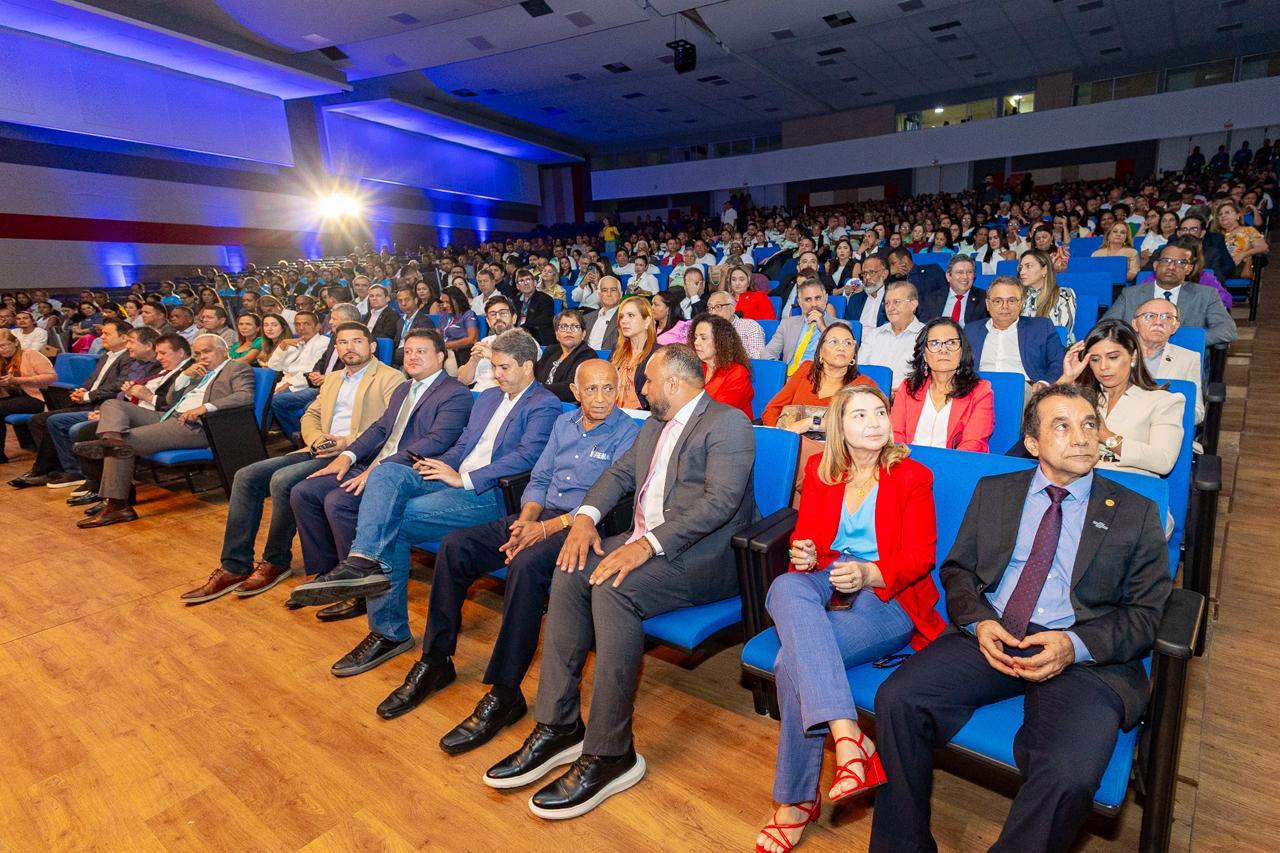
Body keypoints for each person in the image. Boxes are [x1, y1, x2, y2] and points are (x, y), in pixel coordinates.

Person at [870, 383, 1171, 853]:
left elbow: (1147, 614)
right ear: (1032, 444)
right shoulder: (996, 492)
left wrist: (1074, 646)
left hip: (1083, 654)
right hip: (995, 630)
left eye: (1090, 424)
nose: (1082, 437)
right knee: (899, 700)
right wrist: (979, 623)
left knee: (1068, 774)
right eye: (1062, 426)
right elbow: (959, 571)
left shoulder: (1135, 511)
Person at [485, 345, 755, 819]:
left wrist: (644, 546)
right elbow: (618, 474)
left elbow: (720, 503)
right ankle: (559, 725)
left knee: (612, 588)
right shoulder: (654, 424)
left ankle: (612, 752)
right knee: (571, 566)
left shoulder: (727, 422)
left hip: (700, 559)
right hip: (643, 541)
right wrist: (586, 518)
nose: (640, 389)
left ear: (672, 383)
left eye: (647, 381)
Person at [373, 360, 641, 736]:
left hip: (581, 527)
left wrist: (545, 528)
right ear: (576, 392)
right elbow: (541, 477)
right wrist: (527, 520)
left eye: (608, 388)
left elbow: (610, 499)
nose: (600, 398)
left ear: (620, 389)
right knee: (455, 548)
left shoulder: (628, 433)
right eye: (591, 389)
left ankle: (505, 691)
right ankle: (436, 659)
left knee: (525, 566)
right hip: (539, 515)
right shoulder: (564, 423)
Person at [288, 330, 559, 674]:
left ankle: (387, 629)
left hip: (489, 494)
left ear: (527, 366)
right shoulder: (490, 397)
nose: (497, 374)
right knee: (387, 471)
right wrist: (447, 465)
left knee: (394, 522)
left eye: (504, 367)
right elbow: (465, 444)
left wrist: (464, 478)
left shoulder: (544, 404)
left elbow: (527, 457)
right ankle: (362, 561)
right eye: (494, 367)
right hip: (453, 478)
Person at [755, 383, 945, 853]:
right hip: (829, 576)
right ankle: (847, 735)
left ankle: (796, 801)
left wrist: (867, 572)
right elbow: (811, 539)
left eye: (879, 412)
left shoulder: (913, 476)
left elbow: (921, 557)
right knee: (784, 583)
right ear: (840, 425)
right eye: (859, 415)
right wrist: (804, 552)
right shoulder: (823, 471)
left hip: (887, 594)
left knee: (789, 665)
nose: (875, 422)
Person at [178, 323, 403, 605]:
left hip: (356, 453)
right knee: (246, 476)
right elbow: (311, 414)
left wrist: (345, 442)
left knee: (283, 480)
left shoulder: (390, 378)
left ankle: (275, 560)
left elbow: (387, 425)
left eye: (357, 341)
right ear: (336, 348)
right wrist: (318, 438)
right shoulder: (333, 379)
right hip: (319, 448)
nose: (349, 347)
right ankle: (235, 565)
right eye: (343, 342)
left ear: (371, 347)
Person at [72, 334, 255, 527]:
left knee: (122, 445)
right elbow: (170, 401)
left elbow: (245, 396)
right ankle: (110, 440)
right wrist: (184, 377)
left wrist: (205, 408)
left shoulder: (237, 368)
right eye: (198, 353)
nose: (202, 357)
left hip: (196, 426)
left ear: (224, 350)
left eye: (207, 351)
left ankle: (118, 506)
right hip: (168, 416)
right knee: (112, 405)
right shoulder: (198, 371)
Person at [6, 319, 135, 488]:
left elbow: (119, 385)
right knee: (38, 420)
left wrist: (88, 395)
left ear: (124, 337)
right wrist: (81, 390)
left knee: (50, 421)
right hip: (88, 401)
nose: (101, 336)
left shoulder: (128, 357)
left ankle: (67, 470)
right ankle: (50, 468)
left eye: (107, 333)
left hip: (103, 405)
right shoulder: (107, 355)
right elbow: (91, 380)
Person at [1057, 320, 1184, 477]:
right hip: (1078, 482)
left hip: (1130, 487)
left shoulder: (1163, 401)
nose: (1103, 367)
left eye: (1113, 357)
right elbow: (1034, 427)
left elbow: (1163, 461)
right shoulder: (1081, 396)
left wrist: (1106, 436)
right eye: (1095, 359)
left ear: (1133, 356)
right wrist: (1067, 378)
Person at [1104, 238, 1238, 346]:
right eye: (1166, 261)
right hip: (1137, 359)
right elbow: (1105, 326)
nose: (1171, 267)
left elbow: (1227, 330)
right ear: (1156, 266)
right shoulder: (1130, 294)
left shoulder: (1206, 295)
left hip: (1185, 362)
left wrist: (1185, 342)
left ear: (1189, 269)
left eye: (1180, 262)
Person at [890, 318, 995, 451]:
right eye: (935, 343)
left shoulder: (980, 391)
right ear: (924, 355)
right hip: (909, 463)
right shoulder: (908, 388)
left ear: (962, 352)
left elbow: (973, 444)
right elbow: (896, 436)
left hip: (956, 466)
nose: (943, 350)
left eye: (951, 343)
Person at [268, 304, 359, 442]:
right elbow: (322, 361)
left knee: (288, 403)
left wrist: (327, 378)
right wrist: (315, 373)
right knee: (275, 401)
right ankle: (301, 438)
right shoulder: (335, 337)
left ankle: (305, 438)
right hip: (319, 385)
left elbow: (355, 370)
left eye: (334, 318)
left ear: (348, 320)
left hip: (336, 386)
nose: (330, 322)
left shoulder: (358, 340)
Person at [762, 323, 875, 430]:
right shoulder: (806, 370)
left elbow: (867, 426)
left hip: (835, 448)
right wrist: (780, 438)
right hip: (793, 443)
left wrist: (813, 423)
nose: (841, 348)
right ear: (820, 351)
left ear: (853, 354)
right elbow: (772, 409)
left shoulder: (864, 385)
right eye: (833, 341)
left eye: (848, 343)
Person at [967, 277, 1068, 387]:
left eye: (1011, 301)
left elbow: (1058, 362)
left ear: (1021, 303)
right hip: (978, 389)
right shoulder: (971, 331)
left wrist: (1044, 384)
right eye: (998, 301)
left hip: (1025, 389)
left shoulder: (1042, 328)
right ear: (987, 304)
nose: (1005, 306)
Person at [1132, 299, 1203, 424]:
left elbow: (1197, 411)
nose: (1158, 322)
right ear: (1135, 324)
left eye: (1167, 317)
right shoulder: (1116, 354)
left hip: (1165, 426)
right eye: (1150, 316)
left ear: (1175, 327)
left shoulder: (1188, 359)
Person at [763, 278, 844, 374]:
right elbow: (767, 353)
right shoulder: (787, 324)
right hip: (788, 379)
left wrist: (823, 328)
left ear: (826, 298)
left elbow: (842, 356)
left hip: (818, 379)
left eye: (818, 298)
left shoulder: (841, 326)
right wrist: (780, 373)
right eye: (808, 299)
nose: (814, 304)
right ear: (799, 302)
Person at [0, 329, 57, 462]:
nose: (1, 349)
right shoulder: (2, 360)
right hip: (14, 396)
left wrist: (18, 380)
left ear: (15, 342)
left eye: (4, 345)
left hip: (36, 398)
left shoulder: (30, 354)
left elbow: (51, 377)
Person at [859, 280, 924, 389]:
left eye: (897, 302)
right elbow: (859, 369)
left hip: (908, 397)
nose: (890, 308)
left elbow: (925, 377)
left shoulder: (926, 336)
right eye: (887, 303)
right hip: (871, 395)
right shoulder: (875, 335)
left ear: (913, 304)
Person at [689, 313, 753, 419]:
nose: (696, 342)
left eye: (703, 338)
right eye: (695, 337)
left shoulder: (738, 373)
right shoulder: (695, 367)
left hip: (727, 429)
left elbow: (716, 411)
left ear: (720, 342)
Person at [535, 309, 597, 402]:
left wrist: (535, 389)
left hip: (562, 406)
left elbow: (571, 387)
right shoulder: (550, 350)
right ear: (556, 334)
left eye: (575, 327)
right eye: (563, 326)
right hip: (537, 400)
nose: (569, 331)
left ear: (583, 334)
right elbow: (532, 374)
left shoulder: (587, 355)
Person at [458, 296, 517, 391]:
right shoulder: (486, 341)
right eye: (493, 314)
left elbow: (520, 379)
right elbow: (463, 381)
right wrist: (473, 360)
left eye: (503, 313)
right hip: (476, 395)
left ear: (514, 318)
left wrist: (492, 356)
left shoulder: (526, 343)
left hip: (502, 396)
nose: (498, 317)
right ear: (488, 322)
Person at [1018, 250, 1077, 343]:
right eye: (1021, 267)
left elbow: (1061, 334)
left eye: (1028, 266)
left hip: (1055, 351)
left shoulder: (1064, 294)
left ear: (1044, 269)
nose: (1022, 272)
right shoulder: (1018, 296)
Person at [610, 296, 657, 411]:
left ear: (646, 321)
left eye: (631, 315)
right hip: (614, 413)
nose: (624, 321)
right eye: (622, 316)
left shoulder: (658, 354)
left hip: (641, 418)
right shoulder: (617, 352)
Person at [916, 254, 988, 328]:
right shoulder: (931, 298)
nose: (965, 277)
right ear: (948, 276)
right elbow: (923, 326)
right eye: (959, 272)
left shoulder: (984, 298)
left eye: (969, 272)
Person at [1214, 199, 1269, 279]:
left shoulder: (1248, 230)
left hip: (1237, 267)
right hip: (1219, 267)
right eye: (1220, 214)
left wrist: (1242, 255)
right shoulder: (1216, 235)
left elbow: (1264, 247)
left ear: (1237, 216)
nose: (1223, 216)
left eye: (1227, 212)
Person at [708, 290, 766, 359]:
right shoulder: (707, 329)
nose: (713, 312)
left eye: (718, 307)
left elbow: (757, 358)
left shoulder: (750, 326)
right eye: (710, 308)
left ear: (732, 309)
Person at [842, 254, 890, 332]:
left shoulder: (893, 299)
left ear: (884, 274)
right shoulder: (855, 299)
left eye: (872, 272)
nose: (867, 277)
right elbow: (848, 327)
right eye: (864, 273)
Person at [513, 268, 556, 345]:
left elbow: (544, 319)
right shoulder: (515, 301)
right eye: (521, 281)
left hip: (536, 335)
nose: (525, 283)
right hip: (516, 336)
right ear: (517, 286)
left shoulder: (545, 299)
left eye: (528, 280)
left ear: (535, 283)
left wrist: (522, 328)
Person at [583, 276, 622, 351]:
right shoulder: (586, 318)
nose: (609, 294)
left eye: (613, 290)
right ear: (599, 295)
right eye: (604, 290)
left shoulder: (626, 317)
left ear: (621, 294)